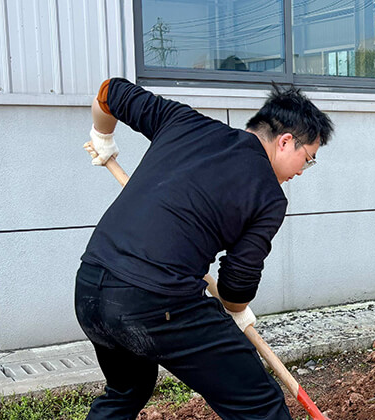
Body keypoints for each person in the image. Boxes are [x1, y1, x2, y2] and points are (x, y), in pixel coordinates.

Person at [75, 77, 333, 420]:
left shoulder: (184, 122)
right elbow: (236, 287)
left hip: (90, 288)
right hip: (155, 302)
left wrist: (102, 135)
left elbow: (109, 92)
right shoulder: (269, 196)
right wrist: (237, 308)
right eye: (308, 158)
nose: (302, 171)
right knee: (258, 404)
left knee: (127, 390)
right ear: (286, 141)